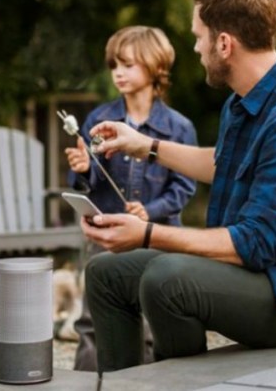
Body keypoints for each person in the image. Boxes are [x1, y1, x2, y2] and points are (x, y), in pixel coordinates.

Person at [81, 0, 276, 372]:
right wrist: (143, 145)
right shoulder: (246, 100)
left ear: (224, 43)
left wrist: (147, 234)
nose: (196, 48)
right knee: (105, 274)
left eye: (199, 37)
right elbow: (223, 164)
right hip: (272, 276)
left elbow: (255, 243)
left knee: (167, 279)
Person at [64, 25, 198, 370]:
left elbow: (183, 188)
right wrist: (81, 168)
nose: (118, 73)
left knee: (154, 324)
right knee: (93, 323)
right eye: (114, 65)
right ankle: (90, 382)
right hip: (107, 238)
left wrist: (148, 211)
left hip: (158, 240)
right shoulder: (98, 119)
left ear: (155, 67)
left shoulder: (179, 128)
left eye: (128, 64)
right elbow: (86, 182)